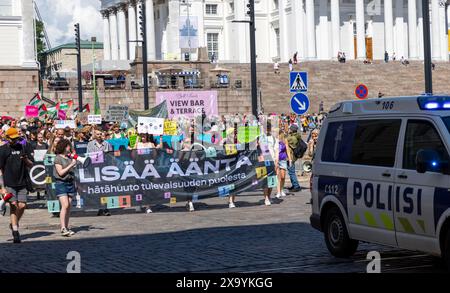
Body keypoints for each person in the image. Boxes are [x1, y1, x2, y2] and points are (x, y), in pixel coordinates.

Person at [0, 128, 34, 243]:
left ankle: (14, 222)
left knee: (22, 206)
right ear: (7, 138)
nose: (15, 140)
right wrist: (2, 187)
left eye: (17, 138)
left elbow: (31, 164)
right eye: (13, 139)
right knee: (14, 205)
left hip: (22, 182)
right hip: (9, 182)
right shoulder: (3, 150)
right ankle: (15, 232)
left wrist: (25, 160)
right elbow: (0, 170)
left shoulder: (23, 147)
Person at [53, 139, 77, 237]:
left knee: (69, 207)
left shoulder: (69, 157)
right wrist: (71, 164)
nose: (70, 148)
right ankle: (62, 228)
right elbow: (61, 173)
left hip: (70, 182)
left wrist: (74, 163)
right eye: (68, 146)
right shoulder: (58, 158)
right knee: (65, 205)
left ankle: (66, 227)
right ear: (64, 147)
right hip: (61, 183)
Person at [86, 128, 113, 216]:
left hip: (104, 169)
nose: (99, 136)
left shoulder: (106, 144)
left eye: (100, 134)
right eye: (97, 134)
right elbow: (89, 156)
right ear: (94, 135)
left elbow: (110, 156)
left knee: (104, 189)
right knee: (97, 189)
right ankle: (100, 207)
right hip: (94, 169)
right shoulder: (90, 144)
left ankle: (105, 207)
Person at [286, 124, 303, 192]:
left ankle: (296, 186)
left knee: (291, 172)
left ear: (292, 130)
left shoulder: (292, 138)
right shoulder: (295, 136)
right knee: (291, 171)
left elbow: (285, 140)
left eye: (290, 129)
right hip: (292, 156)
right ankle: (294, 185)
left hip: (291, 156)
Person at [275, 130, 289, 199]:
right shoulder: (274, 140)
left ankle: (281, 189)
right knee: (278, 177)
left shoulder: (284, 140)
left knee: (283, 176)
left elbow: (287, 149)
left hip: (283, 159)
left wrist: (290, 158)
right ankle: (278, 192)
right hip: (277, 160)